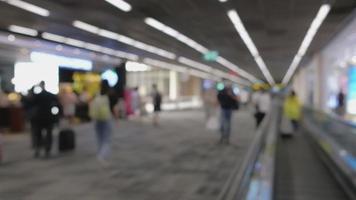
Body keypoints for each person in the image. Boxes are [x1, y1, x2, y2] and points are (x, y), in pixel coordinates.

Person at [31, 81, 60, 158]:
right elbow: (58, 105)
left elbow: (30, 104)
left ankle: (38, 149)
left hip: (39, 118)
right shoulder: (51, 95)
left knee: (38, 134)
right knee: (49, 134)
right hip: (49, 117)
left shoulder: (37, 96)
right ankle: (47, 149)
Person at [89, 80, 112, 164]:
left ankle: (100, 153)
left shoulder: (96, 93)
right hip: (106, 118)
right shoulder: (109, 94)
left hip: (97, 118)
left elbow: (90, 102)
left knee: (99, 137)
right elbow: (113, 106)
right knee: (106, 138)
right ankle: (102, 155)